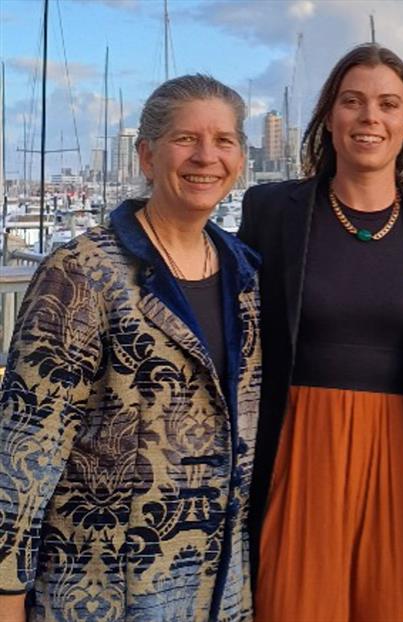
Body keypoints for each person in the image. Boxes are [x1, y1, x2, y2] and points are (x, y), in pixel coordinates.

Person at [0, 74, 261, 621]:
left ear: (240, 159)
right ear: (146, 155)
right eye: (186, 139)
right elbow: (28, 443)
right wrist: (5, 588)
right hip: (100, 587)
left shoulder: (247, 277)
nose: (206, 157)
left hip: (219, 587)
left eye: (224, 141)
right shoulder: (83, 272)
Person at [238, 43, 403, 622]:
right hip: (298, 445)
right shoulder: (272, 209)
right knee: (291, 605)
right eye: (352, 101)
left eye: (388, 104)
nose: (370, 117)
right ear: (329, 116)